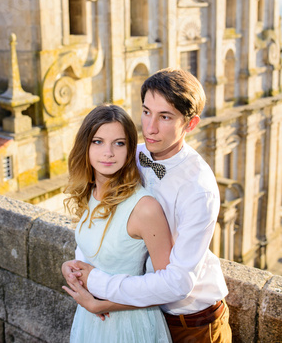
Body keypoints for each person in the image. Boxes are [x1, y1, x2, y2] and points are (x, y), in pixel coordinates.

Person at [64, 68, 232, 343]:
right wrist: (79, 264)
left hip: (191, 322)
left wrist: (100, 288)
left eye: (165, 117)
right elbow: (105, 215)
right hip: (135, 310)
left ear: (190, 124)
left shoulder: (198, 189)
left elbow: (178, 282)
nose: (150, 127)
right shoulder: (131, 154)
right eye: (146, 112)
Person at [61, 104, 173, 342]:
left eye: (119, 143)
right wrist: (72, 267)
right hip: (89, 320)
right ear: (85, 146)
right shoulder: (90, 192)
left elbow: (166, 288)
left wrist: (102, 305)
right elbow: (95, 251)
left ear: (130, 148)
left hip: (129, 328)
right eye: (98, 141)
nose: (108, 153)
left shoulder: (144, 208)